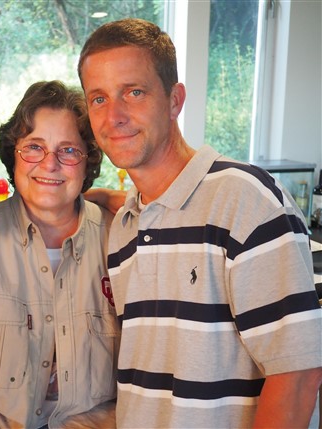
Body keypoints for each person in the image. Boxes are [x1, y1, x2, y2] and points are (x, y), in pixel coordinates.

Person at [77, 18, 322, 429]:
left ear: (175, 100)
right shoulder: (125, 226)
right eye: (98, 98)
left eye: (134, 92)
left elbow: (298, 374)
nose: (114, 115)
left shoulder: (246, 200)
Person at [0, 80, 120, 428]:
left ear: (87, 161)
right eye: (34, 147)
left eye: (68, 150)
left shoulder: (118, 239)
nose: (49, 164)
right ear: (12, 155)